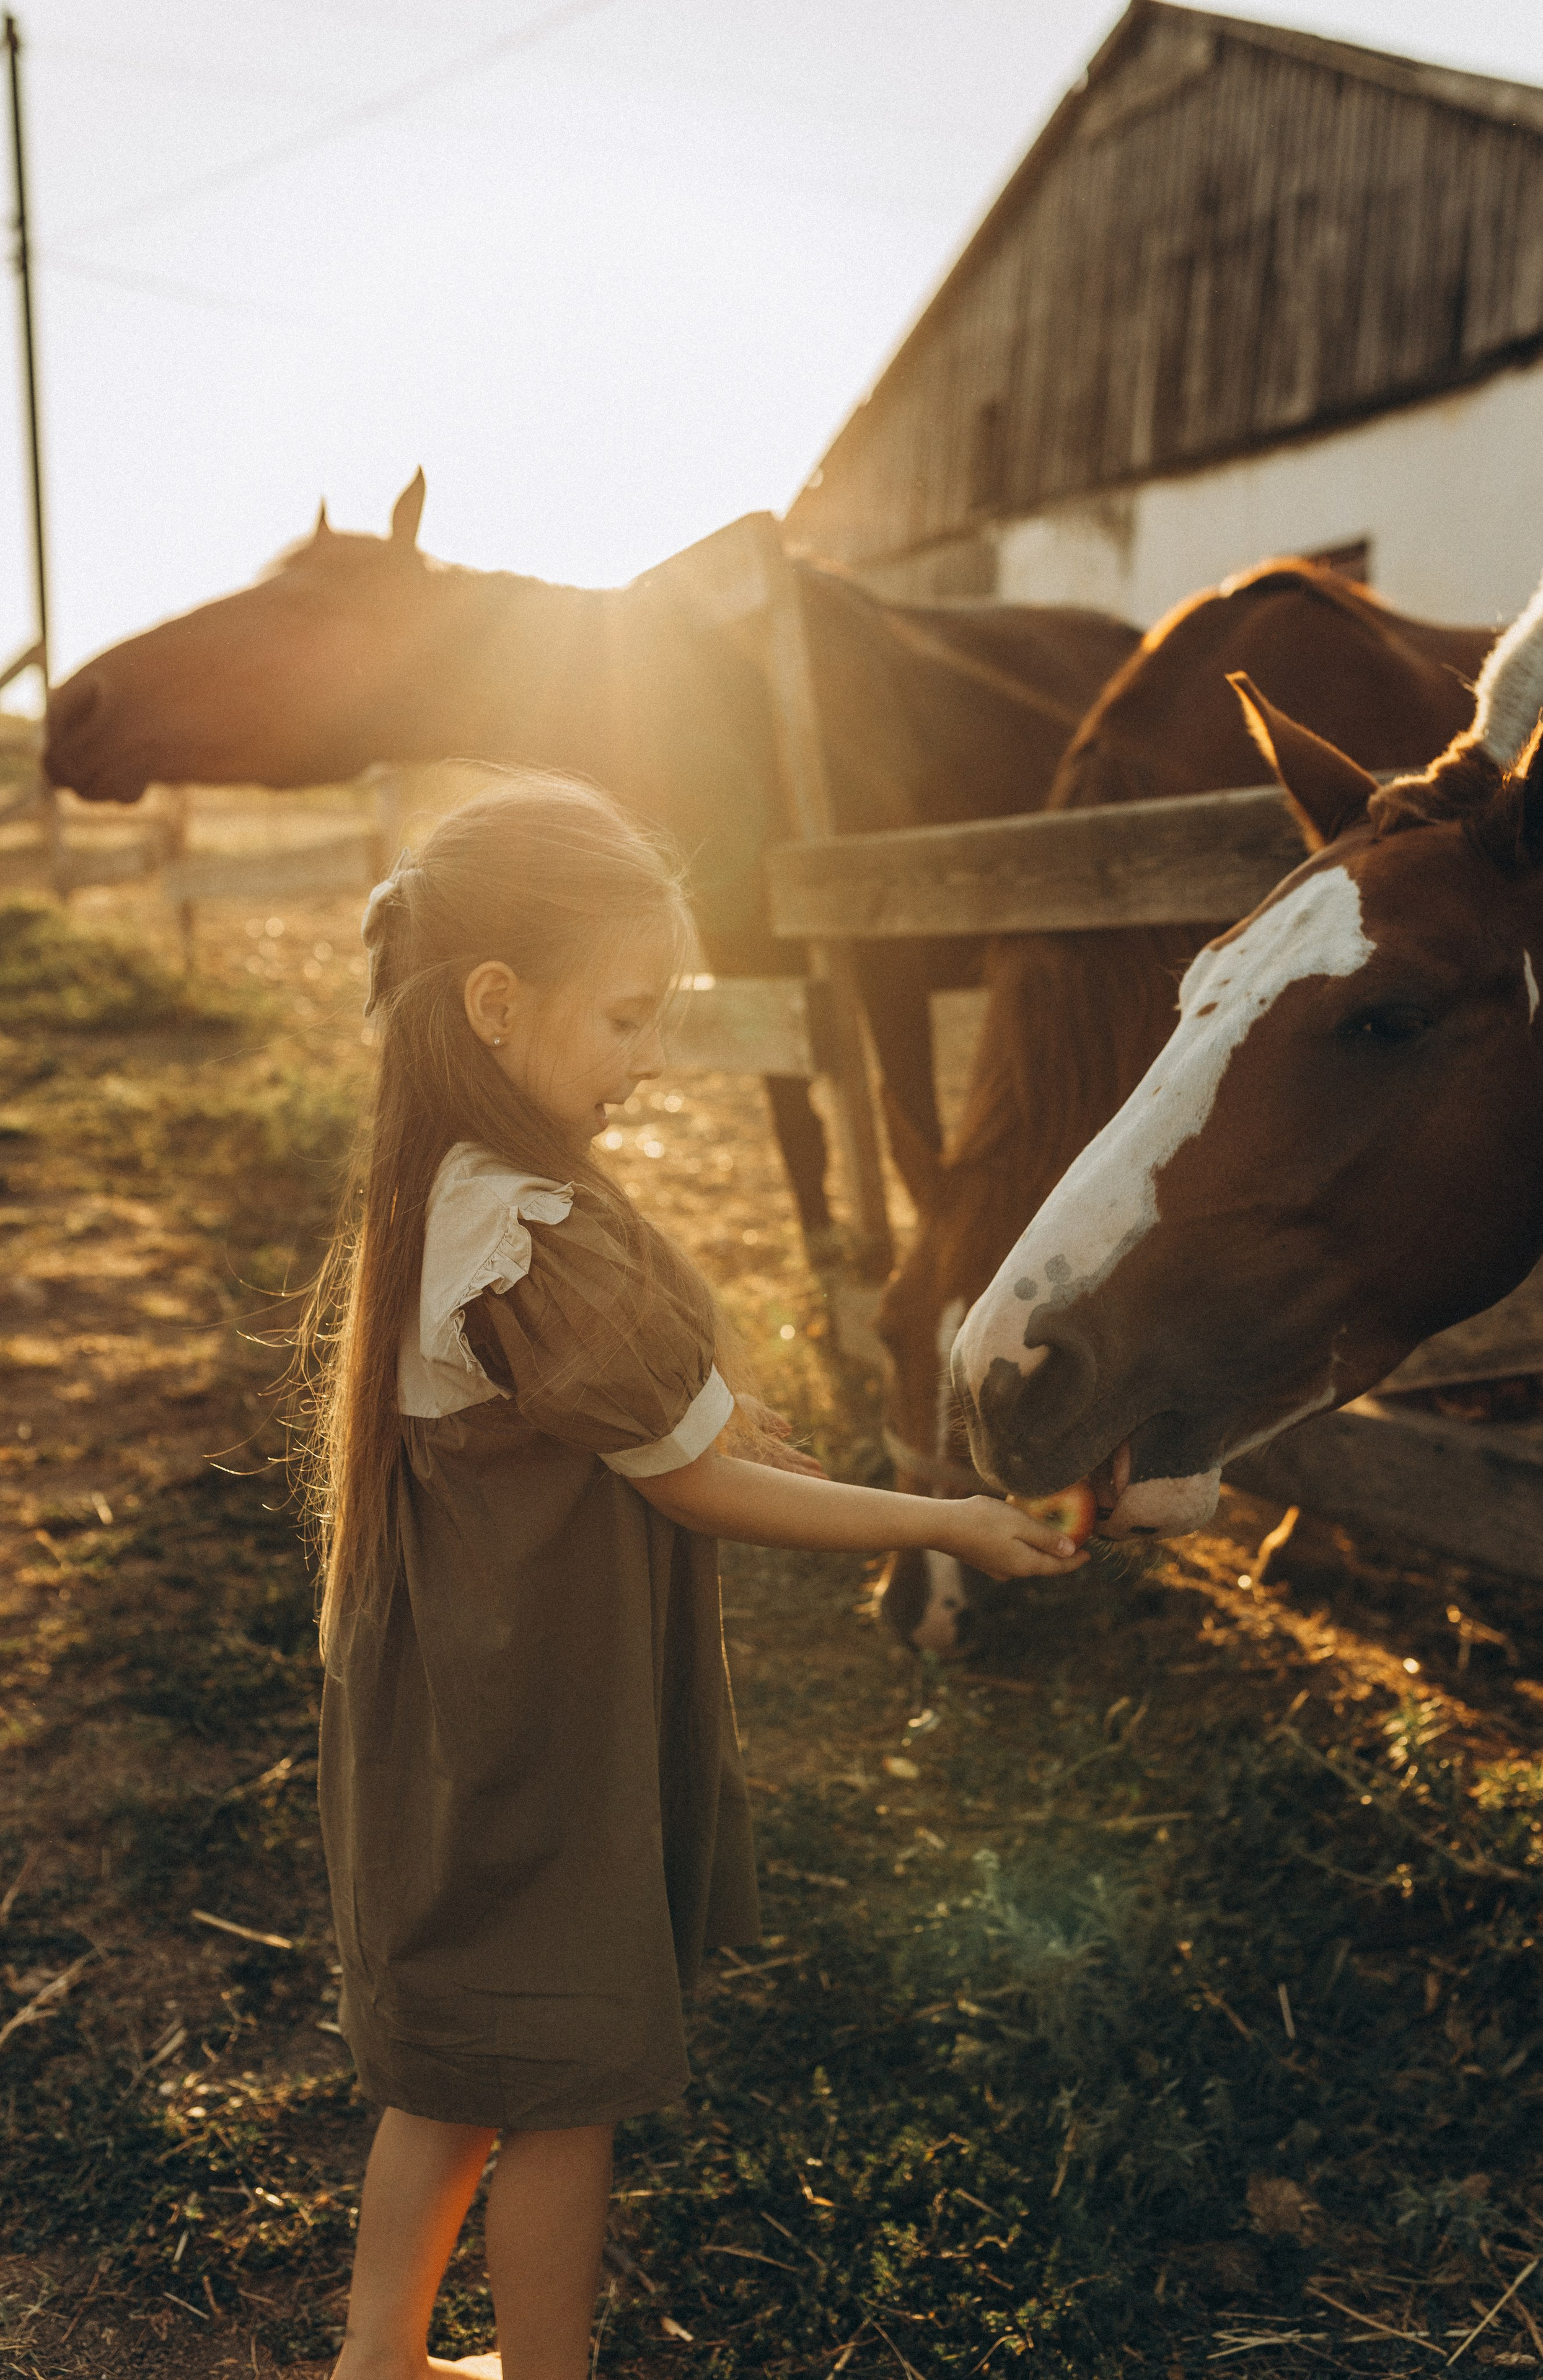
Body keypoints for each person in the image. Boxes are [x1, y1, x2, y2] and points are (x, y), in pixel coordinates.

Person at [299, 773, 1088, 2380]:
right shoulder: (526, 1227)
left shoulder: (446, 1185)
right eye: (631, 1020)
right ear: (501, 1006)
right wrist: (939, 1521)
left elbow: (651, 1425)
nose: (651, 1061)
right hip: (537, 1740)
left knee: (454, 2060)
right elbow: (692, 1484)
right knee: (568, 2083)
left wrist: (734, 1425)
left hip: (459, 1720)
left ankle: (379, 2360)